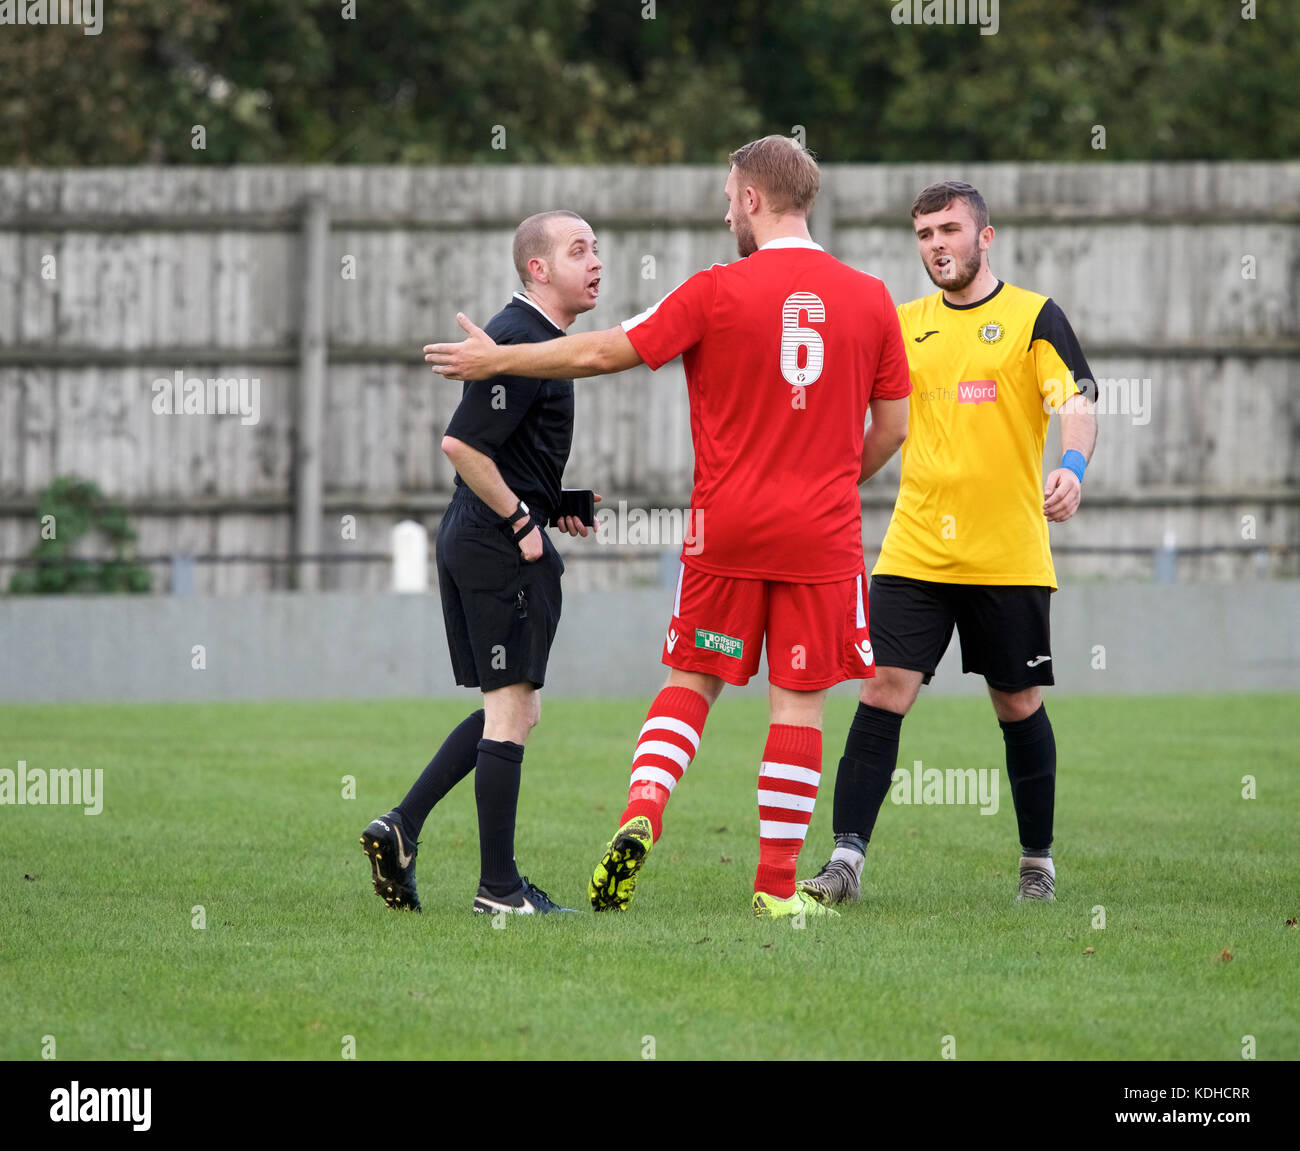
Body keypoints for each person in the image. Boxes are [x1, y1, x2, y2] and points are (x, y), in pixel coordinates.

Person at [426, 136, 912, 919]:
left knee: (692, 681)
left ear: (753, 198)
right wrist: (832, 477)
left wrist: (500, 362)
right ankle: (778, 889)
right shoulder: (870, 297)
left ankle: (643, 808)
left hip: (726, 530)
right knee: (798, 703)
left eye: (729, 197)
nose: (726, 211)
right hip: (820, 535)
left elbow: (601, 352)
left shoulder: (714, 290)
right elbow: (893, 426)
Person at [797, 180, 1099, 907]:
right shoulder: (902, 325)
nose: (937, 244)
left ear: (983, 237)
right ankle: (844, 861)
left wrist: (1073, 465)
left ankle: (1037, 863)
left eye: (950, 230)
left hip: (1007, 553)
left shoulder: (1034, 316)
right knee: (881, 688)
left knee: (1017, 702)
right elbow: (853, 410)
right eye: (925, 233)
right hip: (916, 551)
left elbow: (1078, 400)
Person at [361, 209, 603, 915]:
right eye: (578, 250)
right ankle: (498, 888)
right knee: (510, 709)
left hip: (478, 533)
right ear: (538, 268)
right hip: (495, 542)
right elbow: (462, 446)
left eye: (597, 248)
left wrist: (555, 499)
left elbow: (501, 451)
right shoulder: (522, 338)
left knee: (514, 709)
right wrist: (523, 518)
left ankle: (402, 827)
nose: (596, 261)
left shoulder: (534, 340)